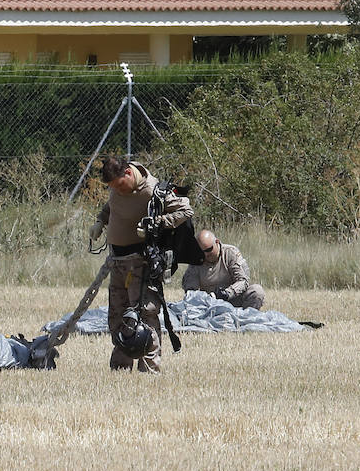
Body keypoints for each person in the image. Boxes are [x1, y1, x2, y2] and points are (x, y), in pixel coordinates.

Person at [88, 156, 193, 373]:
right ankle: (120, 367)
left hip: (142, 263)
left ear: (128, 173)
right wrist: (100, 221)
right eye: (112, 187)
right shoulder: (118, 188)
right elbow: (112, 205)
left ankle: (149, 368)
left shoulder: (153, 191)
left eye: (119, 185)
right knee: (117, 315)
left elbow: (185, 211)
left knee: (145, 314)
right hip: (118, 262)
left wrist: (157, 223)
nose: (117, 190)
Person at [182, 229, 266, 309]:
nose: (206, 254)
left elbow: (243, 281)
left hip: (234, 299)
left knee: (257, 291)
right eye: (201, 252)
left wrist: (227, 293)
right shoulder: (196, 261)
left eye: (209, 250)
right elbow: (191, 291)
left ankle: (248, 318)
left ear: (217, 242)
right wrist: (206, 298)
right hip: (209, 304)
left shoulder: (230, 253)